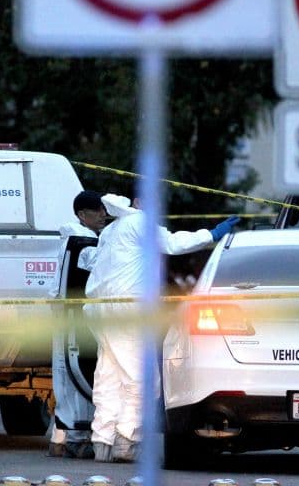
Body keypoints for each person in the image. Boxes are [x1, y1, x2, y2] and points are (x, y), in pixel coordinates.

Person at [84, 193, 239, 463]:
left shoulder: (111, 230)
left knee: (108, 377)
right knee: (142, 380)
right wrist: (211, 235)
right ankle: (127, 441)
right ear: (138, 202)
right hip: (127, 310)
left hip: (99, 310)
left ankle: (103, 442)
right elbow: (173, 243)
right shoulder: (141, 222)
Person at [48, 190, 109, 459]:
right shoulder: (82, 242)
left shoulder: (73, 240)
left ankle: (60, 440)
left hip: (66, 319)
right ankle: (76, 438)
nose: (103, 216)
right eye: (97, 211)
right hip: (75, 321)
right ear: (82, 215)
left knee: (66, 378)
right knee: (78, 375)